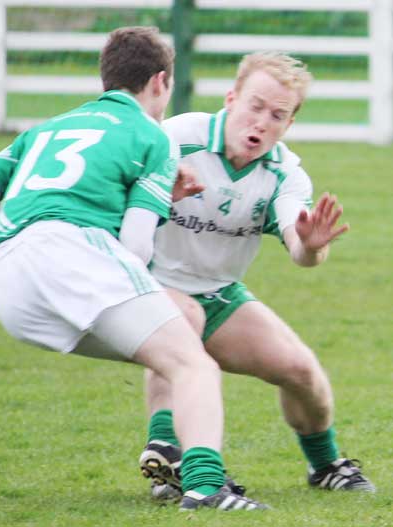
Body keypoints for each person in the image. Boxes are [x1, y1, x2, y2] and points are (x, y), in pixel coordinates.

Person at [0, 27, 269, 512]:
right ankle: (206, 486)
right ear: (161, 82)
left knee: (183, 319)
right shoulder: (152, 136)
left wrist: (23, 242)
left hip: (9, 278)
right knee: (195, 364)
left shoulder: (47, 128)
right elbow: (135, 245)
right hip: (77, 256)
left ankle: (168, 449)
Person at [138, 51, 375, 500]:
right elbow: (115, 200)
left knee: (301, 371)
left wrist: (311, 244)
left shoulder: (284, 174)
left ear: (289, 124)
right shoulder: (174, 139)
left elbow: (300, 252)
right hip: (148, 287)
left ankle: (325, 465)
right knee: (182, 323)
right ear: (231, 99)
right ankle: (171, 452)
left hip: (219, 294)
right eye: (255, 106)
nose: (262, 121)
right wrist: (158, 196)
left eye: (278, 115)